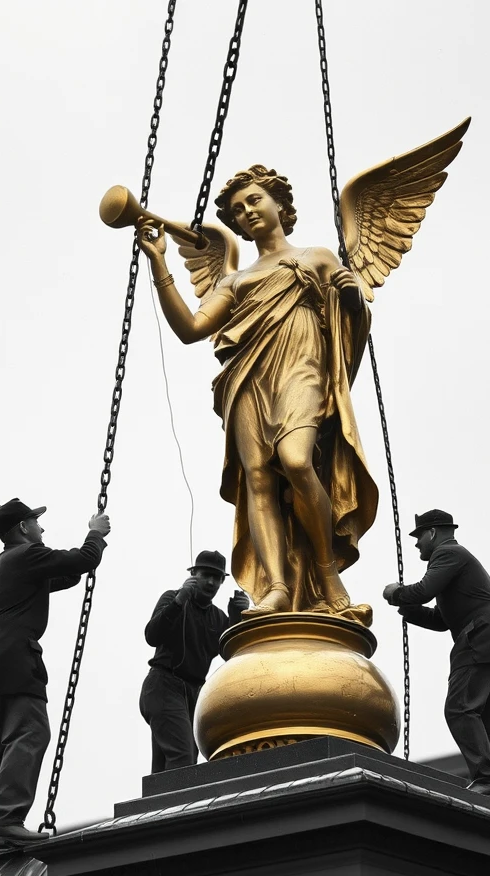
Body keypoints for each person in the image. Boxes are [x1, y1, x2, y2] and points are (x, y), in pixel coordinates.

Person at [135, 166, 378, 623]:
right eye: (238, 210)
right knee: (259, 479)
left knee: (296, 460)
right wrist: (159, 262)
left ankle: (328, 576)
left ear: (279, 205)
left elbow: (350, 328)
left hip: (302, 367)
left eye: (254, 201)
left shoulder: (318, 256)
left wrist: (349, 298)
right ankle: (278, 587)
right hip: (249, 378)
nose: (247, 212)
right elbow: (190, 329)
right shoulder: (231, 281)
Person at [0, 499, 111, 862]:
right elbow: (81, 560)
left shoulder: (2, 567)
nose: (41, 528)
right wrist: (95, 536)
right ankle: (6, 821)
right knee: (30, 733)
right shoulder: (27, 555)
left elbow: (64, 574)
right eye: (36, 522)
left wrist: (84, 557)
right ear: (23, 528)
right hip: (14, 660)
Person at [382, 510, 490, 813]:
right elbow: (442, 619)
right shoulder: (456, 561)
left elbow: (422, 591)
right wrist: (411, 612)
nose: (417, 545)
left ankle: (487, 779)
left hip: (479, 640)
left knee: (460, 709)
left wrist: (395, 594)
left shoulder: (447, 554)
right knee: (482, 717)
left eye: (419, 537)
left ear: (432, 533)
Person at [140, 550, 250, 773]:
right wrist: (179, 601)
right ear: (193, 574)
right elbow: (152, 636)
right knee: (183, 755)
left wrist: (237, 618)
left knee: (170, 763)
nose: (211, 582)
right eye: (205, 574)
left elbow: (232, 657)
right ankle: (178, 806)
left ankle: (161, 806)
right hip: (163, 685)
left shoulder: (218, 618)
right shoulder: (172, 598)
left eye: (217, 577)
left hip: (194, 694)